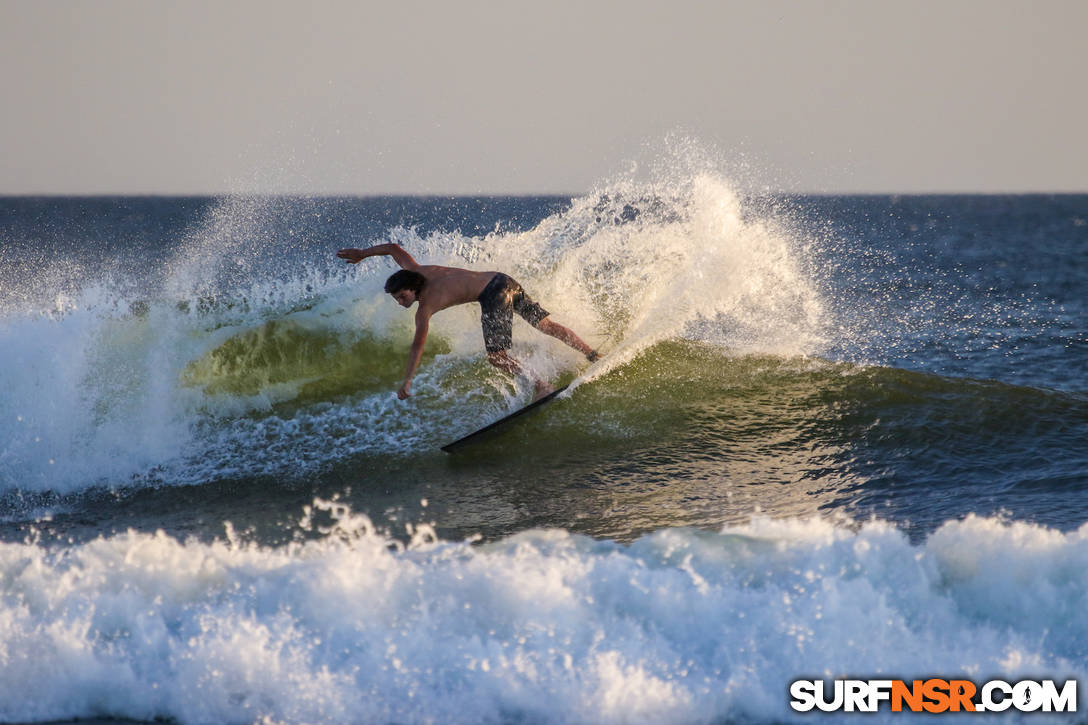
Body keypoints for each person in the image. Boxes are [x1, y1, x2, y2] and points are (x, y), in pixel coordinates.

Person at [337, 244, 599, 400]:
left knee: (496, 357)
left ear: (412, 288)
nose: (400, 302)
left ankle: (542, 385)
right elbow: (393, 249)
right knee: (546, 326)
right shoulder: (414, 270)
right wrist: (363, 254)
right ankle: (591, 353)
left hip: (493, 293)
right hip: (503, 280)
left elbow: (417, 345)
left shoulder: (425, 307)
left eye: (402, 296)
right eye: (396, 299)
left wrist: (407, 381)